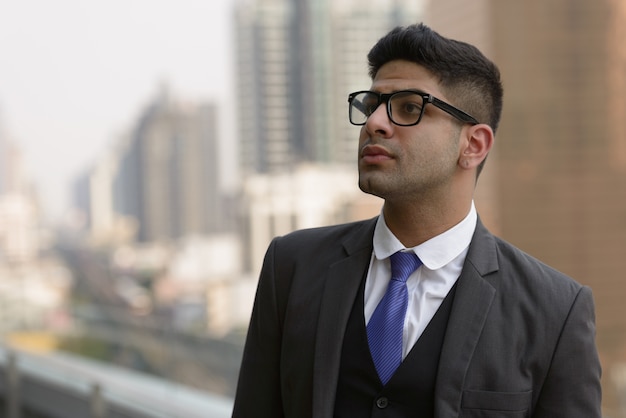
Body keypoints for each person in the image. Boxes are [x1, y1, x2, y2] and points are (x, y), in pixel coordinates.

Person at [232, 23, 602, 418]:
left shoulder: (555, 310)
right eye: (371, 104)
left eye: (409, 107)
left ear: (473, 145)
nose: (375, 122)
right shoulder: (291, 266)